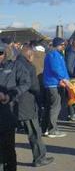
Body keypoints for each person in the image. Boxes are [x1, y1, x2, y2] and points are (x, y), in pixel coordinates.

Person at [16, 47, 54, 167]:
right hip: (27, 103)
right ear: (30, 56)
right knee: (34, 132)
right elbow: (34, 87)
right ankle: (39, 158)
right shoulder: (29, 67)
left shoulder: (13, 64)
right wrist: (41, 102)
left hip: (14, 103)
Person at [0, 42, 31, 171]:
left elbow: (26, 83)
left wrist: (10, 95)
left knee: (8, 148)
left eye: (0, 53)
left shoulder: (15, 66)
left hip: (7, 113)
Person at [42, 37, 71, 138]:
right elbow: (56, 69)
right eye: (62, 45)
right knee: (55, 107)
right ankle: (52, 130)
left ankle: (45, 128)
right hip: (54, 84)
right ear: (58, 45)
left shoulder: (54, 54)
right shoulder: (54, 54)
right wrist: (64, 79)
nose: (64, 47)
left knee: (50, 107)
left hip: (53, 83)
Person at [64, 39, 75, 122]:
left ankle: (71, 114)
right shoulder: (71, 53)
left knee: (73, 96)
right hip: (72, 78)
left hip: (73, 77)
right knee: (71, 96)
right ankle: (72, 115)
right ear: (73, 44)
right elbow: (69, 67)